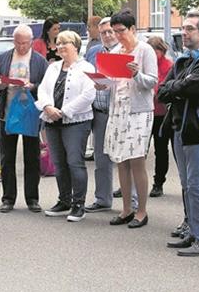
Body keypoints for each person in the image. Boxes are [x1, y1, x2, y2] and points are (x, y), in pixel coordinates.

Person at [158, 11, 199, 257]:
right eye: (183, 28)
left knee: (197, 186)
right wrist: (178, 88)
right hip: (180, 129)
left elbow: (189, 87)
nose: (183, 33)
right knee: (187, 185)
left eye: (189, 29)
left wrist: (176, 88)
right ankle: (195, 233)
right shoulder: (183, 60)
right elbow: (163, 91)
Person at [104, 11, 158, 228]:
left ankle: (142, 210)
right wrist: (102, 83)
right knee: (121, 160)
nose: (117, 35)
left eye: (121, 31)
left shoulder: (145, 50)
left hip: (138, 111)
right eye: (114, 31)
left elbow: (152, 81)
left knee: (137, 159)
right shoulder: (116, 50)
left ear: (133, 29)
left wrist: (136, 74)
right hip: (118, 109)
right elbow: (113, 80)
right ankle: (126, 208)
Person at [36, 30, 95, 222]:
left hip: (76, 121)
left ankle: (79, 204)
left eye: (65, 43)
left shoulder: (86, 67)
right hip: (52, 120)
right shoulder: (53, 68)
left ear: (76, 46)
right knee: (59, 164)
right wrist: (47, 106)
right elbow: (43, 89)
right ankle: (64, 200)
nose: (60, 47)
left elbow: (88, 95)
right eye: (58, 43)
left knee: (74, 162)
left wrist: (65, 110)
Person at [0, 25, 48, 213]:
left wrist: (32, 86)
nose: (21, 46)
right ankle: (8, 198)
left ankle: (32, 198)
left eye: (25, 43)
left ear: (31, 41)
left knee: (32, 157)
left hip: (30, 113)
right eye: (18, 42)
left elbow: (46, 87)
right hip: (7, 113)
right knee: (7, 158)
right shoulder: (4, 57)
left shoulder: (39, 60)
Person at [85, 18, 123, 212]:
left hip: (119, 111)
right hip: (99, 111)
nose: (107, 36)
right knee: (101, 158)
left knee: (125, 158)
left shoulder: (126, 51)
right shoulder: (93, 52)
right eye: (103, 33)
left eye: (110, 31)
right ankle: (103, 199)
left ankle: (131, 201)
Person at [147, 35, 174, 198]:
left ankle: (158, 183)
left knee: (161, 149)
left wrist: (153, 91)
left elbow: (165, 89)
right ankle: (132, 183)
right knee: (139, 151)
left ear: (161, 50)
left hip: (161, 114)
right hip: (145, 111)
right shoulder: (146, 63)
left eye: (154, 51)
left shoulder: (169, 66)